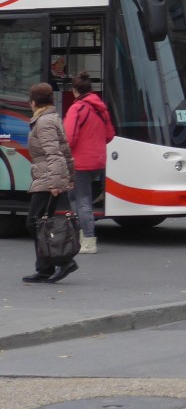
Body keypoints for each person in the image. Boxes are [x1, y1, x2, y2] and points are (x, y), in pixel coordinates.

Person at [24, 82, 79, 284]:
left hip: (48, 178)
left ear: (34, 102)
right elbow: (66, 152)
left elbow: (55, 154)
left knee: (34, 223)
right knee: (42, 223)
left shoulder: (44, 122)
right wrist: (70, 178)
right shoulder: (51, 118)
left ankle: (63, 261)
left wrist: (57, 183)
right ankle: (45, 268)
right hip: (50, 177)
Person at [63, 72, 114, 255]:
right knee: (79, 197)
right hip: (98, 161)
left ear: (74, 90)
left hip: (80, 162)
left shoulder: (76, 109)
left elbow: (69, 137)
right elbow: (109, 135)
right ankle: (83, 235)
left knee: (81, 200)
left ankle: (88, 240)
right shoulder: (101, 108)